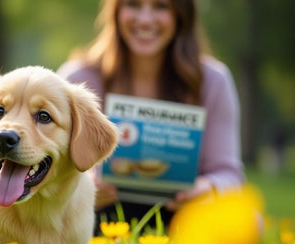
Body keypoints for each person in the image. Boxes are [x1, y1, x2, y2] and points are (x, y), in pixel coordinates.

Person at [57, 0, 245, 224]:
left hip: (185, 216)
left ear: (181, 15)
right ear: (116, 11)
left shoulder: (213, 81)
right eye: (133, 4)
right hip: (93, 214)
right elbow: (52, 165)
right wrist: (85, 185)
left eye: (161, 6)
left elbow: (230, 176)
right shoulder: (77, 79)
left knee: (250, 221)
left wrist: (207, 188)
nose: (145, 20)